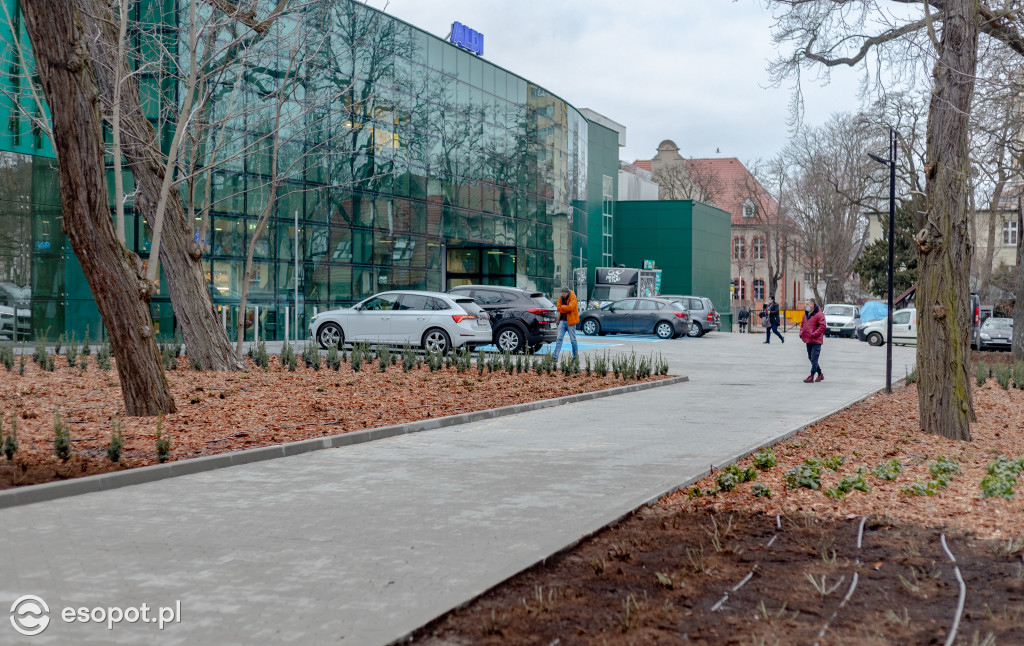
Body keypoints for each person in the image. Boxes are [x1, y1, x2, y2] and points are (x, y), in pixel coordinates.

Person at [800, 297, 826, 382]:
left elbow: (822, 326)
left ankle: (811, 376)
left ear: (812, 304)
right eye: (805, 304)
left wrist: (814, 334)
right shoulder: (806, 314)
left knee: (814, 358)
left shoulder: (819, 314)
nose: (805, 306)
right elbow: (802, 325)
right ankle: (820, 374)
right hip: (808, 339)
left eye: (807, 304)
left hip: (816, 340)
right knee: (811, 358)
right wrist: (801, 333)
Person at [552, 286, 579, 361]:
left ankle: (575, 357)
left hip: (571, 321)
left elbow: (571, 308)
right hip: (562, 321)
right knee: (559, 339)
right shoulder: (560, 297)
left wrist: (563, 307)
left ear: (567, 292)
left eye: (564, 293)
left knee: (573, 340)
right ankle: (555, 356)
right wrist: (565, 308)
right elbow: (558, 308)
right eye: (562, 293)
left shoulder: (573, 296)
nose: (563, 295)